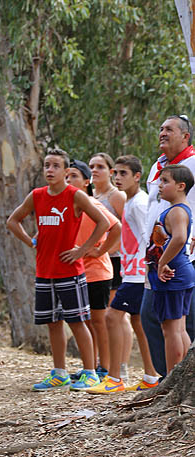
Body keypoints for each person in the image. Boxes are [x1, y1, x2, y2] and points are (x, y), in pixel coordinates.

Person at [6, 149, 109, 391]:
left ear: (66, 171)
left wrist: (82, 249)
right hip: (44, 271)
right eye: (46, 165)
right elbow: (13, 220)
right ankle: (59, 373)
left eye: (55, 166)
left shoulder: (75, 196)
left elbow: (103, 223)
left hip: (70, 271)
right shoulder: (37, 195)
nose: (50, 170)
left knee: (77, 321)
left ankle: (90, 372)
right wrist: (31, 241)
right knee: (53, 323)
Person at [87, 155, 159, 393]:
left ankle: (115, 378)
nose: (117, 178)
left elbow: (150, 236)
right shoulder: (130, 201)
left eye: (123, 173)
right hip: (131, 271)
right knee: (138, 322)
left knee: (112, 317)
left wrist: (146, 268)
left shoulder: (139, 203)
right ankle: (151, 377)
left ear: (137, 176)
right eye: (115, 173)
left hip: (139, 274)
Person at [143, 115, 195, 377]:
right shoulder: (158, 166)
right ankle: (175, 379)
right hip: (160, 257)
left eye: (169, 129)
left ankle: (171, 377)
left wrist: (163, 261)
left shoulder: (192, 164)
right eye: (161, 128)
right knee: (172, 324)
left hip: (176, 261)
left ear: (185, 136)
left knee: (171, 325)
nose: (162, 133)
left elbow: (178, 234)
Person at [66, 159, 121, 380]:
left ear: (86, 182)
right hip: (76, 272)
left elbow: (116, 227)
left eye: (74, 177)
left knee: (98, 322)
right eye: (67, 176)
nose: (69, 180)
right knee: (85, 322)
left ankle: (104, 368)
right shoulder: (66, 206)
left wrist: (98, 251)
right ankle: (90, 366)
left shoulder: (92, 205)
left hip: (97, 272)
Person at [89, 152, 133, 380]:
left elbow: (126, 227)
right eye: (91, 166)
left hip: (116, 260)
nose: (95, 170)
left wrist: (106, 249)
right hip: (98, 261)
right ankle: (102, 364)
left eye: (100, 166)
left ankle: (121, 365)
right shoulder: (91, 195)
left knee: (117, 314)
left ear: (110, 171)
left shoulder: (117, 196)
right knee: (100, 316)